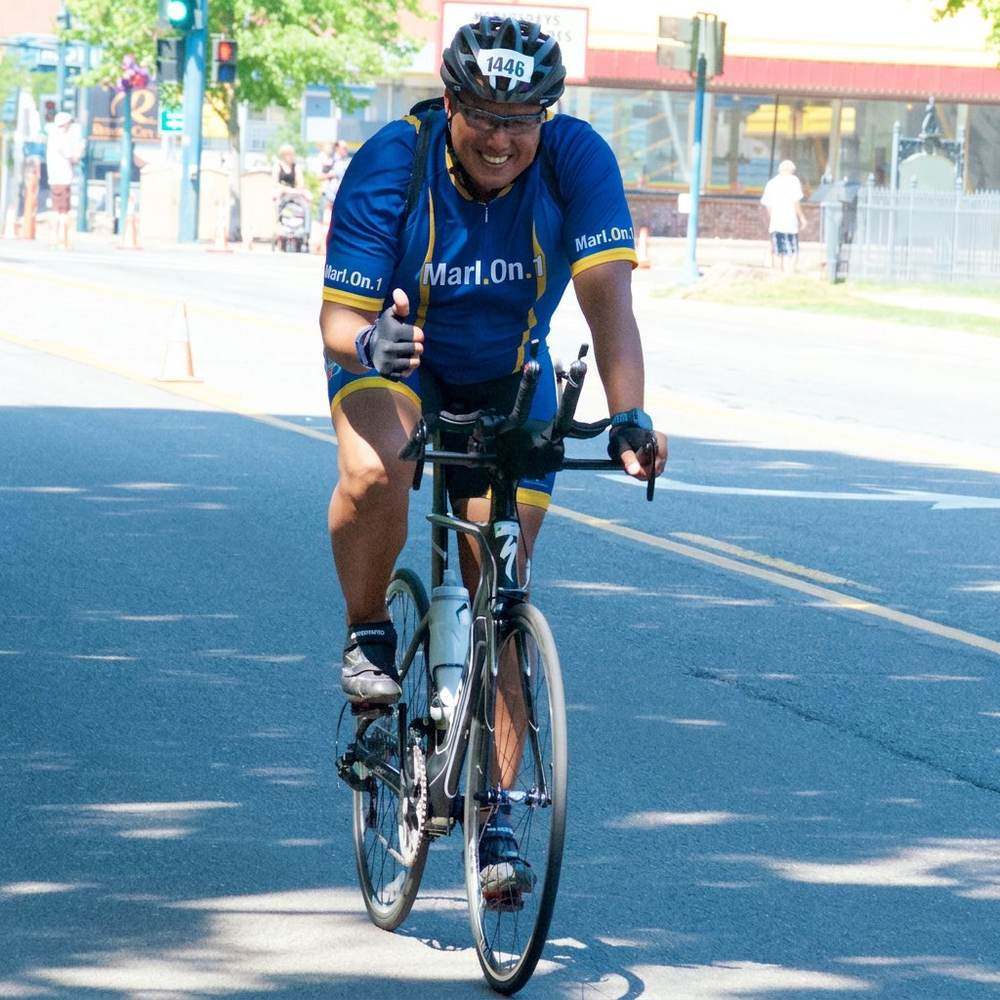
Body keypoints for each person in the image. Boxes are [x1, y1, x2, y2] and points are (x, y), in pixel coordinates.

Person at [319, 15, 667, 895]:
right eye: (483, 115)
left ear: (548, 115)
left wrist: (629, 415)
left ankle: (498, 814)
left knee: (498, 592)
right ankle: (367, 632)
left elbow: (606, 299)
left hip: (512, 376)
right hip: (398, 361)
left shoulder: (574, 159)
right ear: (451, 104)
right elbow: (337, 319)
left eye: (523, 119)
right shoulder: (391, 162)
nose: (502, 138)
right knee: (376, 468)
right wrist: (372, 345)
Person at [761, 159, 808, 271]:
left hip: (776, 223)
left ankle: (779, 275)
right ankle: (789, 274)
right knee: (793, 251)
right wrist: (802, 218)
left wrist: (773, 218)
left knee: (778, 251)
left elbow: (768, 205)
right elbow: (796, 202)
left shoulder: (771, 183)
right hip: (790, 222)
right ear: (790, 170)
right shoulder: (793, 181)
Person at [45, 111, 83, 249]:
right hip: (63, 177)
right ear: (64, 124)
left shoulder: (52, 136)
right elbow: (72, 157)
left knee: (55, 209)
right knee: (63, 211)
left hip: (54, 177)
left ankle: (53, 238)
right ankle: (62, 239)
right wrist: (79, 149)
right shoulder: (61, 137)